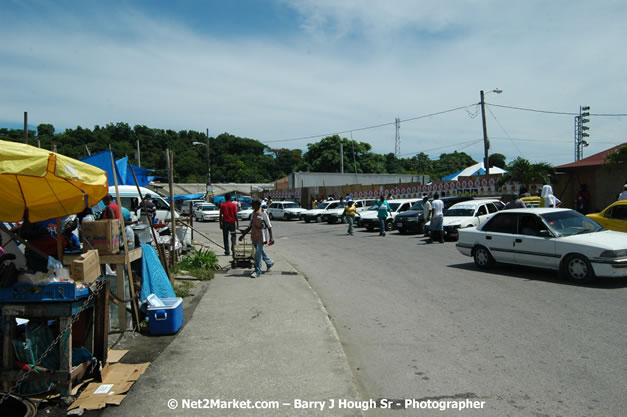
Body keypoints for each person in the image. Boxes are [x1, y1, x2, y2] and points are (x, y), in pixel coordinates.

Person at [239, 199, 274, 278]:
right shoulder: (253, 213)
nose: (252, 206)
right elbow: (250, 226)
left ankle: (257, 271)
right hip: (254, 236)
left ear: (257, 205)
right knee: (260, 251)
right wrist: (243, 235)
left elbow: (269, 225)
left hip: (261, 236)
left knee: (257, 255)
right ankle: (269, 262)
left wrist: (271, 237)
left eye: (253, 204)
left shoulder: (263, 213)